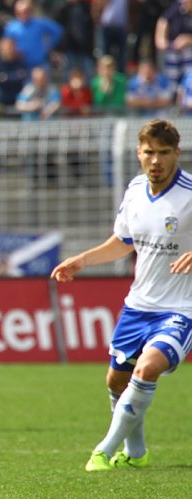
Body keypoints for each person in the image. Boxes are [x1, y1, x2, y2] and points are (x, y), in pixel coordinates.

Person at [50, 119, 192, 472]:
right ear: (138, 153)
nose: (155, 160)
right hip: (138, 306)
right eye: (149, 152)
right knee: (116, 379)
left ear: (176, 153)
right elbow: (123, 242)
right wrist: (82, 260)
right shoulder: (134, 190)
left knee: (148, 368)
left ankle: (103, 449)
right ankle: (137, 450)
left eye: (163, 153)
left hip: (182, 307)